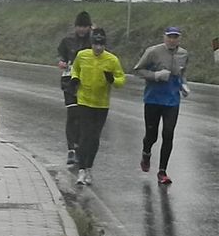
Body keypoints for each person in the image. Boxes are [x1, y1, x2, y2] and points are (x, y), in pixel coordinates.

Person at [133, 27, 189, 185]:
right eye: (170, 37)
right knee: (152, 135)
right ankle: (146, 153)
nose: (172, 40)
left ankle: (162, 171)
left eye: (176, 37)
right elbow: (138, 70)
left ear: (179, 39)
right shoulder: (153, 51)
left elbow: (182, 73)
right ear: (164, 37)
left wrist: (183, 85)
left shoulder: (183, 54)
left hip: (172, 101)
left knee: (168, 133)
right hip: (153, 99)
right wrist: (155, 75)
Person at [70, 28, 125, 185]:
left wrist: (112, 80)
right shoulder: (82, 55)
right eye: (95, 44)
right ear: (91, 43)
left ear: (105, 45)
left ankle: (89, 168)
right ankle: (81, 170)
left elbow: (121, 80)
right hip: (84, 101)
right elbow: (76, 68)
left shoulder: (112, 60)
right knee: (85, 136)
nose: (98, 48)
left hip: (101, 104)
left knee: (95, 138)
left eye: (101, 45)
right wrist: (75, 78)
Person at [57, 11, 92, 165]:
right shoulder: (67, 41)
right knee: (73, 114)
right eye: (79, 26)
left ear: (89, 27)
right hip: (69, 82)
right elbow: (61, 57)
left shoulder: (94, 41)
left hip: (88, 83)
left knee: (84, 117)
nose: (82, 30)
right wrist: (62, 62)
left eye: (85, 27)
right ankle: (71, 149)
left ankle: (79, 146)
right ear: (75, 27)